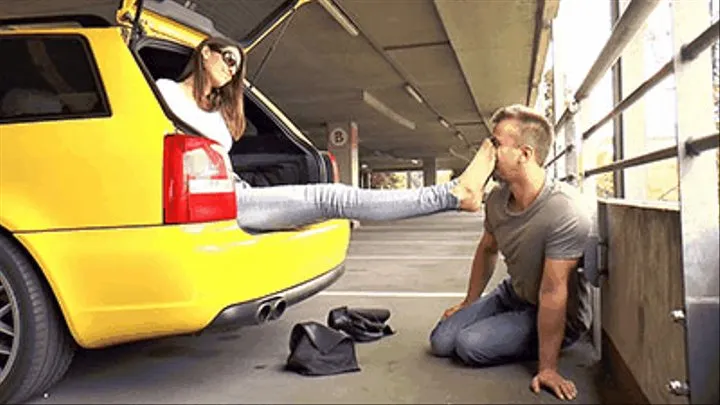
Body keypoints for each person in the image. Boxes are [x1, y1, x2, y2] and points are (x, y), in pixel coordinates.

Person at [154, 36, 496, 232]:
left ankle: (453, 195)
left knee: (331, 199)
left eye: (237, 68)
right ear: (204, 52)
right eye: (228, 58)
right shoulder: (165, 92)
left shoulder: (218, 114)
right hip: (212, 200)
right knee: (332, 198)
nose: (231, 70)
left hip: (234, 191)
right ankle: (453, 194)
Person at [428, 104, 593, 401]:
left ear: (525, 154)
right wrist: (469, 301)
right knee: (441, 342)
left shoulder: (565, 211)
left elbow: (554, 292)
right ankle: (504, 325)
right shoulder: (496, 201)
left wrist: (548, 368)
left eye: (497, 144)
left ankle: (544, 344)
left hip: (558, 312)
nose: (489, 152)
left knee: (469, 345)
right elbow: (488, 249)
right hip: (514, 295)